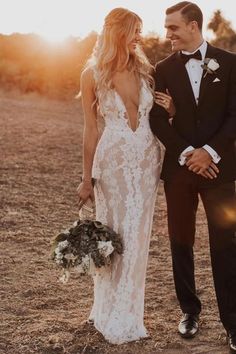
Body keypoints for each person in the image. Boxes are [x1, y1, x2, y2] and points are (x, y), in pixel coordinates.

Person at [77, 8, 173, 345]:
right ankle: (106, 310)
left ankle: (129, 313)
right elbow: (91, 130)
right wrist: (86, 177)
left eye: (140, 31)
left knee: (137, 235)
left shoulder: (145, 71)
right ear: (117, 32)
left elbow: (160, 116)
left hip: (147, 161)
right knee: (113, 234)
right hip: (113, 162)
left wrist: (172, 111)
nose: (138, 37)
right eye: (134, 31)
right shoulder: (92, 74)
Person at [150, 2, 236, 352]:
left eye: (173, 27)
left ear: (194, 26)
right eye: (166, 27)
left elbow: (234, 115)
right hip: (180, 171)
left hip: (220, 169)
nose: (167, 33)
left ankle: (233, 323)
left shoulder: (230, 63)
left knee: (226, 246)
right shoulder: (163, 68)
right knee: (180, 242)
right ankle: (189, 311)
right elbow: (157, 119)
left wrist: (209, 152)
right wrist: (188, 154)